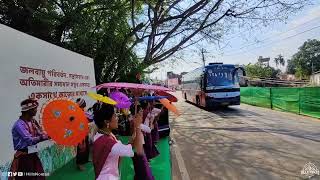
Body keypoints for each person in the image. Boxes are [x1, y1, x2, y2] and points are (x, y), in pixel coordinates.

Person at [92, 103, 154, 180]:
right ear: (106, 122)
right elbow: (136, 150)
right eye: (114, 115)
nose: (117, 118)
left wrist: (134, 133)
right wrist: (138, 127)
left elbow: (126, 147)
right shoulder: (108, 142)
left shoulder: (101, 134)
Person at [9, 98, 49, 180]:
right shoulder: (19, 125)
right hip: (24, 157)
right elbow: (30, 140)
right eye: (34, 109)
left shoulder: (33, 121)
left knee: (39, 176)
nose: (36, 110)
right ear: (28, 110)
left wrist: (49, 134)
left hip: (33, 154)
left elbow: (40, 133)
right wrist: (44, 137)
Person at [75, 98, 90, 171]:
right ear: (81, 104)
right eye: (84, 103)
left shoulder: (83, 111)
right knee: (81, 148)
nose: (85, 104)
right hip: (80, 133)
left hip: (85, 132)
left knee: (86, 147)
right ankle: (79, 164)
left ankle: (85, 160)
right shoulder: (77, 112)